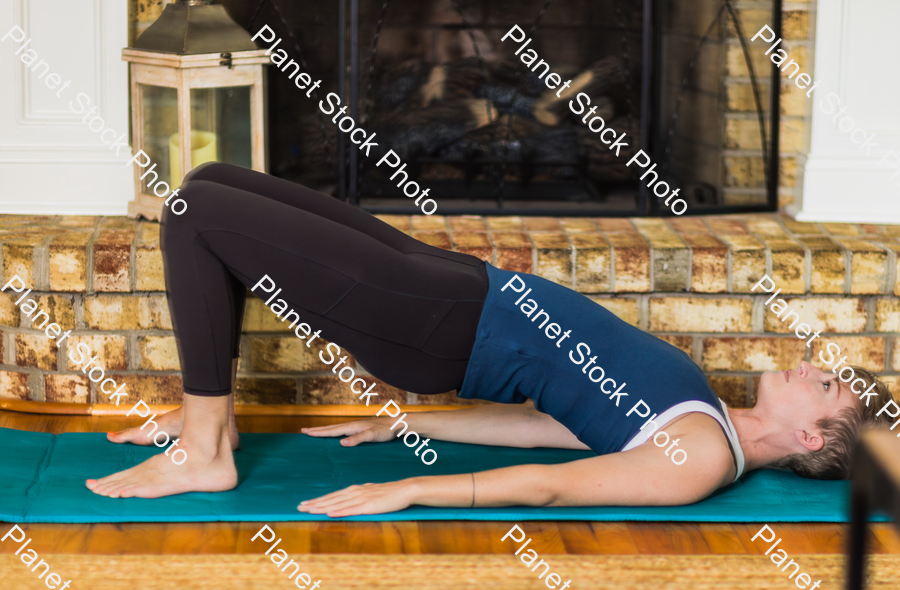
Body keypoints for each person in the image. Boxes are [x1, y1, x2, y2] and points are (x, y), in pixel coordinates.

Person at [86, 163, 894, 517]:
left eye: (827, 386)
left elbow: (550, 487)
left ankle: (202, 449)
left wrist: (412, 489)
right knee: (212, 184)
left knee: (193, 218)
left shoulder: (703, 462)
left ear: (811, 435)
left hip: (433, 320)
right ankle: (211, 426)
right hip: (452, 287)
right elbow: (555, 423)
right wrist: (410, 426)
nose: (813, 367)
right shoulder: (705, 416)